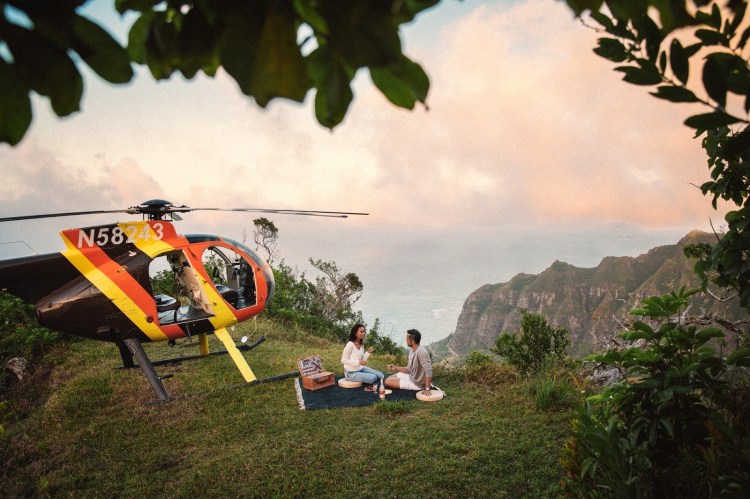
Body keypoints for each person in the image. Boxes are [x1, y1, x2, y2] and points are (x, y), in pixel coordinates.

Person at [385, 329, 432, 393]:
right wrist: (395, 367)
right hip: (411, 376)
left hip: (418, 384)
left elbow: (429, 371)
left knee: (387, 382)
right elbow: (408, 370)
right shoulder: (411, 351)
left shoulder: (422, 352)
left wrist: (427, 389)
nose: (406, 340)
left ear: (412, 341)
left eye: (407, 339)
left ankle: (419, 386)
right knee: (390, 378)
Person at [341, 323, 384, 392]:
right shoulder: (350, 345)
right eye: (361, 331)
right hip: (351, 373)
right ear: (355, 333)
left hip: (360, 368)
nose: (363, 333)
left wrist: (368, 352)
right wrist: (358, 362)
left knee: (381, 375)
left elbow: (362, 358)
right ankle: (360, 377)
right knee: (373, 377)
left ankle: (363, 376)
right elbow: (343, 360)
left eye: (364, 331)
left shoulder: (361, 344)